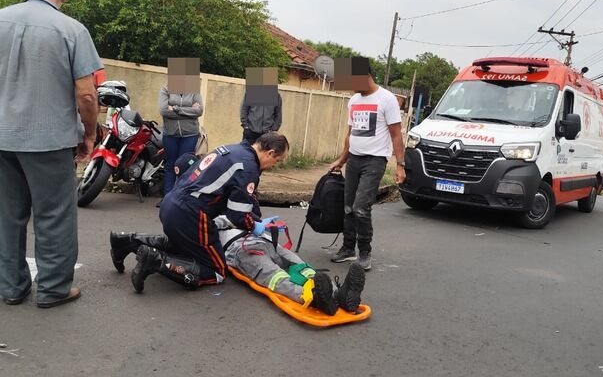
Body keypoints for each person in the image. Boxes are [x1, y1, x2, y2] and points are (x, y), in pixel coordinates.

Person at [0, 0, 102, 308]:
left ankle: (11, 286)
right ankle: (54, 288)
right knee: (54, 215)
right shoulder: (71, 30)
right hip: (49, 140)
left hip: (3, 137)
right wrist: (89, 134)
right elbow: (86, 94)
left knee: (6, 214)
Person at [110, 132, 289, 293]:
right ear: (270, 152)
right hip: (191, 214)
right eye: (277, 161)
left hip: (171, 204)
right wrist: (255, 226)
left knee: (186, 248)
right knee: (217, 271)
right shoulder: (249, 167)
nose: (274, 165)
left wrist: (252, 218)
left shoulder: (233, 149)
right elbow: (237, 215)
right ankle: (155, 260)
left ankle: (126, 241)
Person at [328, 58, 406, 270]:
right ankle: (347, 248)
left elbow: (396, 134)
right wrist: (342, 159)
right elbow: (350, 134)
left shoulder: (387, 99)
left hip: (375, 160)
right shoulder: (353, 101)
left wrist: (400, 165)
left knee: (361, 207)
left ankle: (365, 252)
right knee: (348, 207)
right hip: (354, 158)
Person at [214, 215, 366, 315]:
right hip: (241, 250)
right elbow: (211, 224)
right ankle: (312, 297)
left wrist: (258, 221)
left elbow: (250, 217)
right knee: (275, 275)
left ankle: (338, 294)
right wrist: (238, 217)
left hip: (267, 241)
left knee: (301, 267)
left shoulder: (242, 201)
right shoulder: (209, 210)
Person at [159, 82, 203, 200]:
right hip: (170, 134)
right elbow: (163, 111)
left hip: (190, 134)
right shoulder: (165, 89)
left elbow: (199, 111)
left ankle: (181, 197)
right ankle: (167, 197)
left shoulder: (194, 90)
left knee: (186, 166)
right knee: (170, 165)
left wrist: (175, 109)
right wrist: (189, 111)